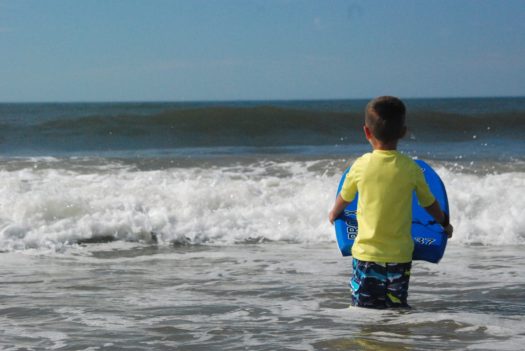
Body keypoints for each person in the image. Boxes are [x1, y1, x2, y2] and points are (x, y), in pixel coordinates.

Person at [328, 96, 453, 309]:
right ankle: (397, 340)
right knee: (396, 308)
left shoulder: (360, 166)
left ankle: (370, 341)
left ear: (366, 131)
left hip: (367, 254)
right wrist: (444, 223)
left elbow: (345, 197)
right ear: (403, 131)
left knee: (364, 309)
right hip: (400, 256)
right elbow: (428, 203)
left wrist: (333, 214)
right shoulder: (411, 168)